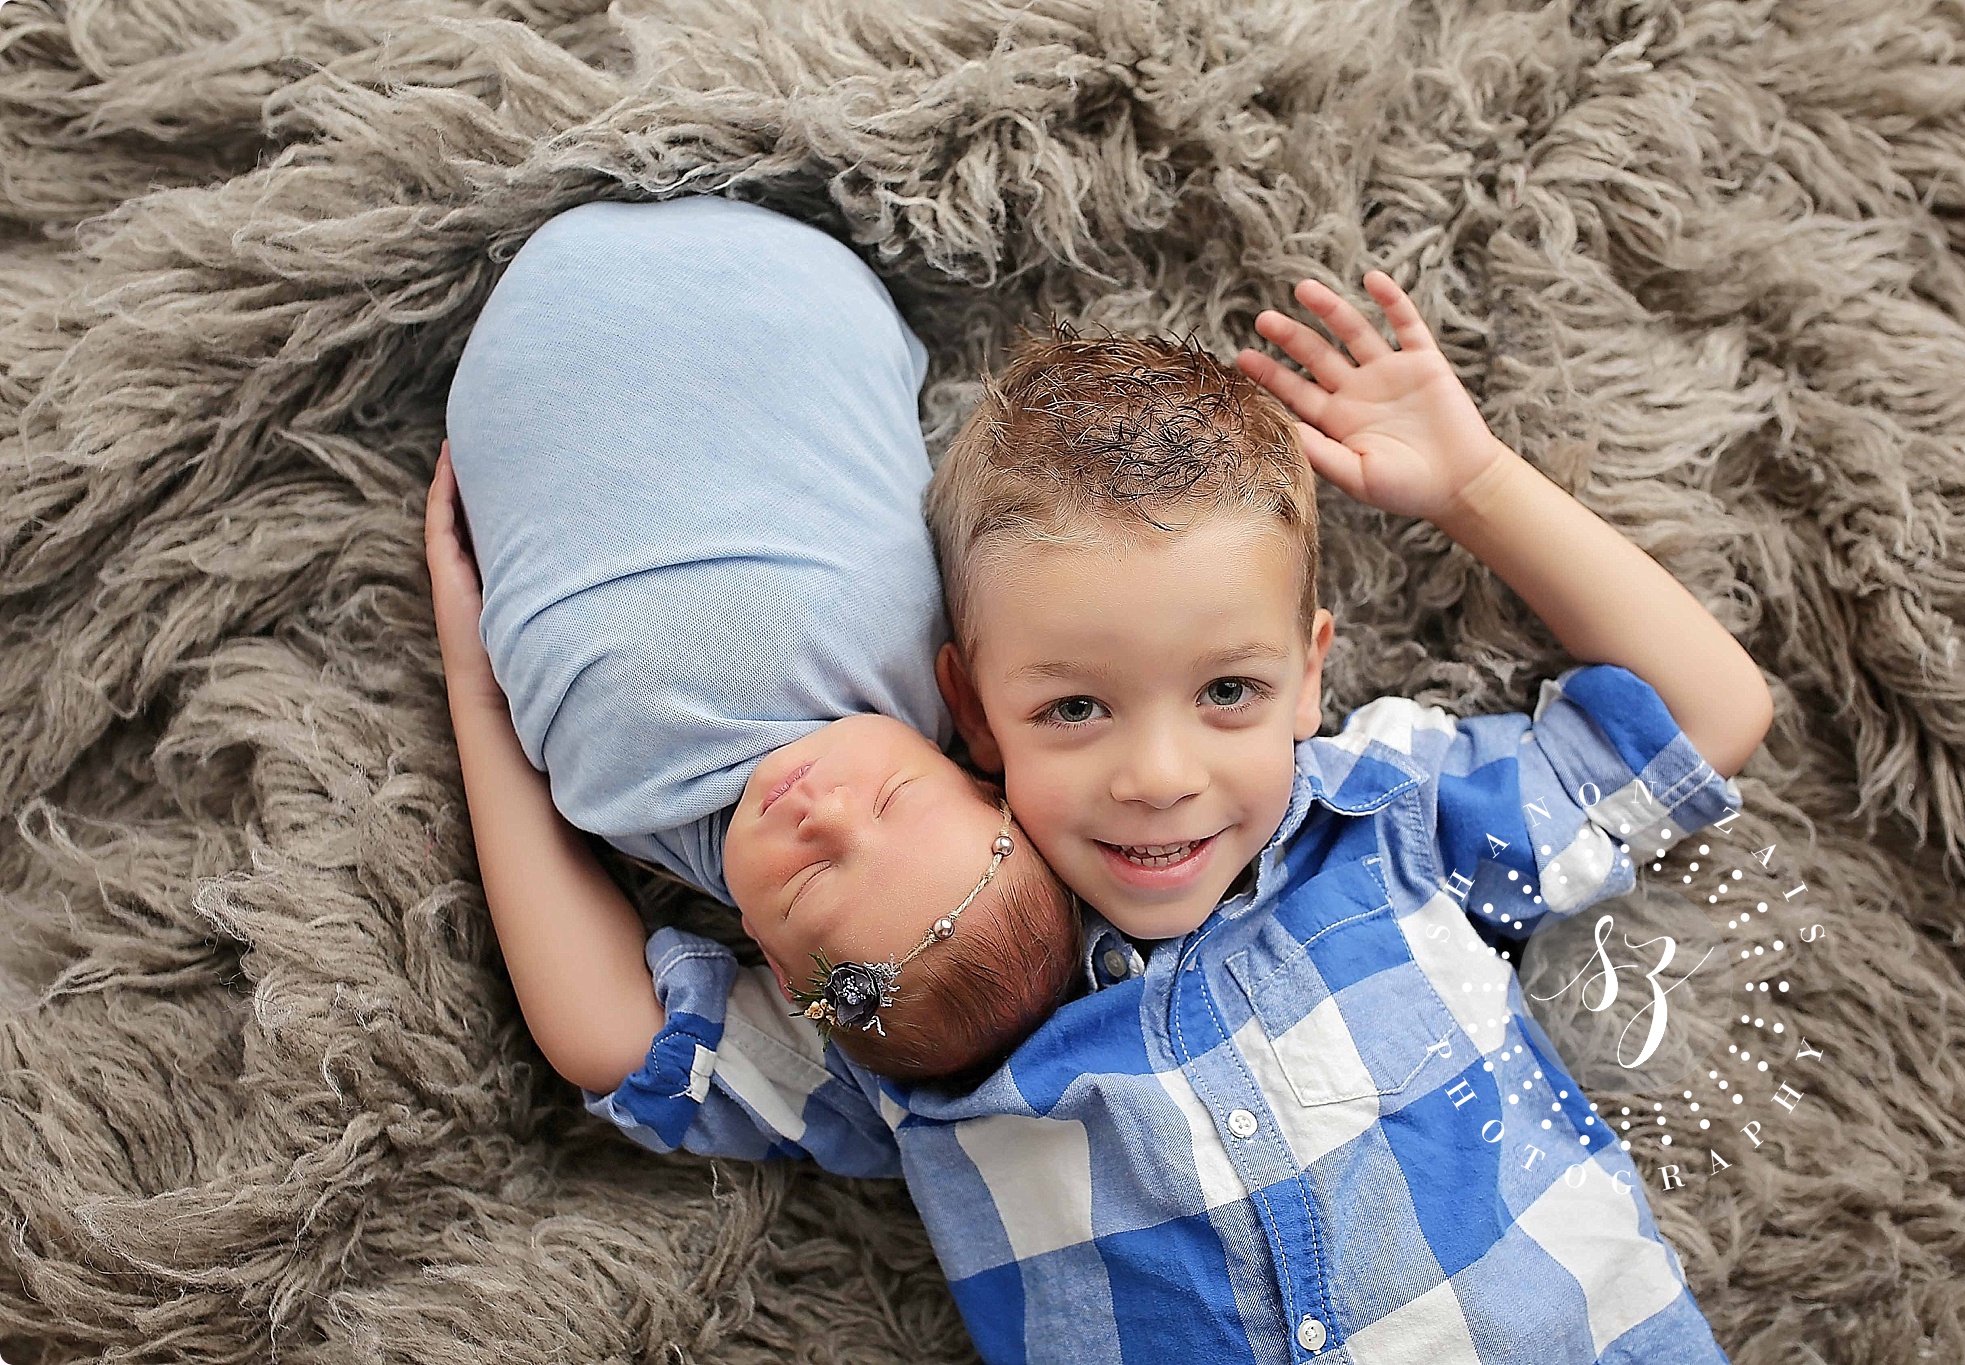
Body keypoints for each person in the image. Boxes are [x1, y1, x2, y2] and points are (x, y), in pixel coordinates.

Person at [557, 268, 1771, 1363]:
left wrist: (1475, 485)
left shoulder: (1392, 824)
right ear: (973, 716)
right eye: (1074, 706)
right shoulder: (923, 978)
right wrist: (481, 692)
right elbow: (619, 1040)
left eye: (1228, 693)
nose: (1156, 775)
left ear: (1309, 677)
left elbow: (1708, 717)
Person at [430, 194, 1076, 1088]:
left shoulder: (634, 805)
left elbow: (603, 1042)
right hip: (779, 289)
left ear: (772, 963)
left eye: (814, 879)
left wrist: (474, 679)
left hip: (547, 322)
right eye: (893, 797)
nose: (827, 813)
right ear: (976, 759)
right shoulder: (933, 671)